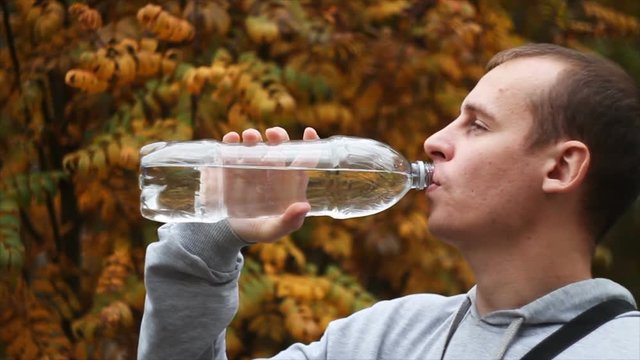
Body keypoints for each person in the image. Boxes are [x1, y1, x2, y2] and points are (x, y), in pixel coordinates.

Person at [137, 43, 640, 359]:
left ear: (561, 168)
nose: (435, 141)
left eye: (477, 125)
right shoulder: (384, 339)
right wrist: (211, 240)